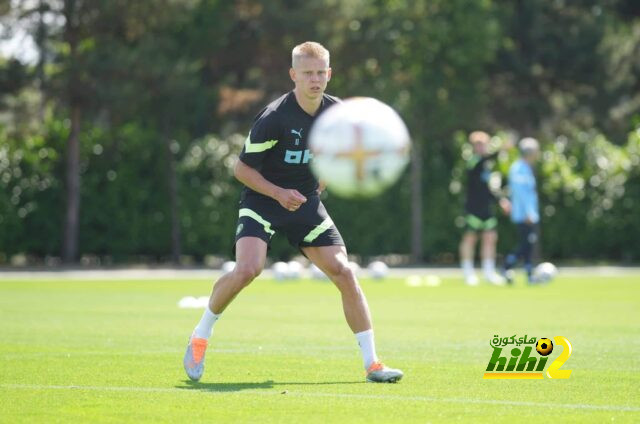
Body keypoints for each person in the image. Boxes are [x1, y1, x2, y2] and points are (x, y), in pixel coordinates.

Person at [183, 41, 403, 383]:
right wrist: (277, 192)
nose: (314, 79)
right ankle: (200, 336)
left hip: (304, 206)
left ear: (329, 74)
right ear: (293, 75)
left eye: (320, 72)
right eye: (307, 73)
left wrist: (326, 178)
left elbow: (341, 152)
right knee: (247, 269)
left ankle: (373, 364)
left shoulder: (337, 114)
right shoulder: (274, 118)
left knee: (345, 273)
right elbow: (241, 170)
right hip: (263, 201)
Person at [459, 131, 510, 286]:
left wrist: (501, 200)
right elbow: (483, 161)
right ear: (474, 147)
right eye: (478, 145)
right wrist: (502, 149)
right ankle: (468, 273)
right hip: (473, 209)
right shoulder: (473, 162)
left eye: (483, 144)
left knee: (490, 238)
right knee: (470, 239)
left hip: (486, 209)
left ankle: (489, 272)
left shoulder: (487, 165)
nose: (481, 147)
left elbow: (487, 188)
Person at [503, 137, 541, 284]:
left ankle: (529, 274)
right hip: (524, 214)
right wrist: (528, 213)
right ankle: (507, 266)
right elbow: (521, 193)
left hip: (528, 213)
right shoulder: (518, 168)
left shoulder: (525, 168)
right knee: (525, 244)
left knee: (528, 245)